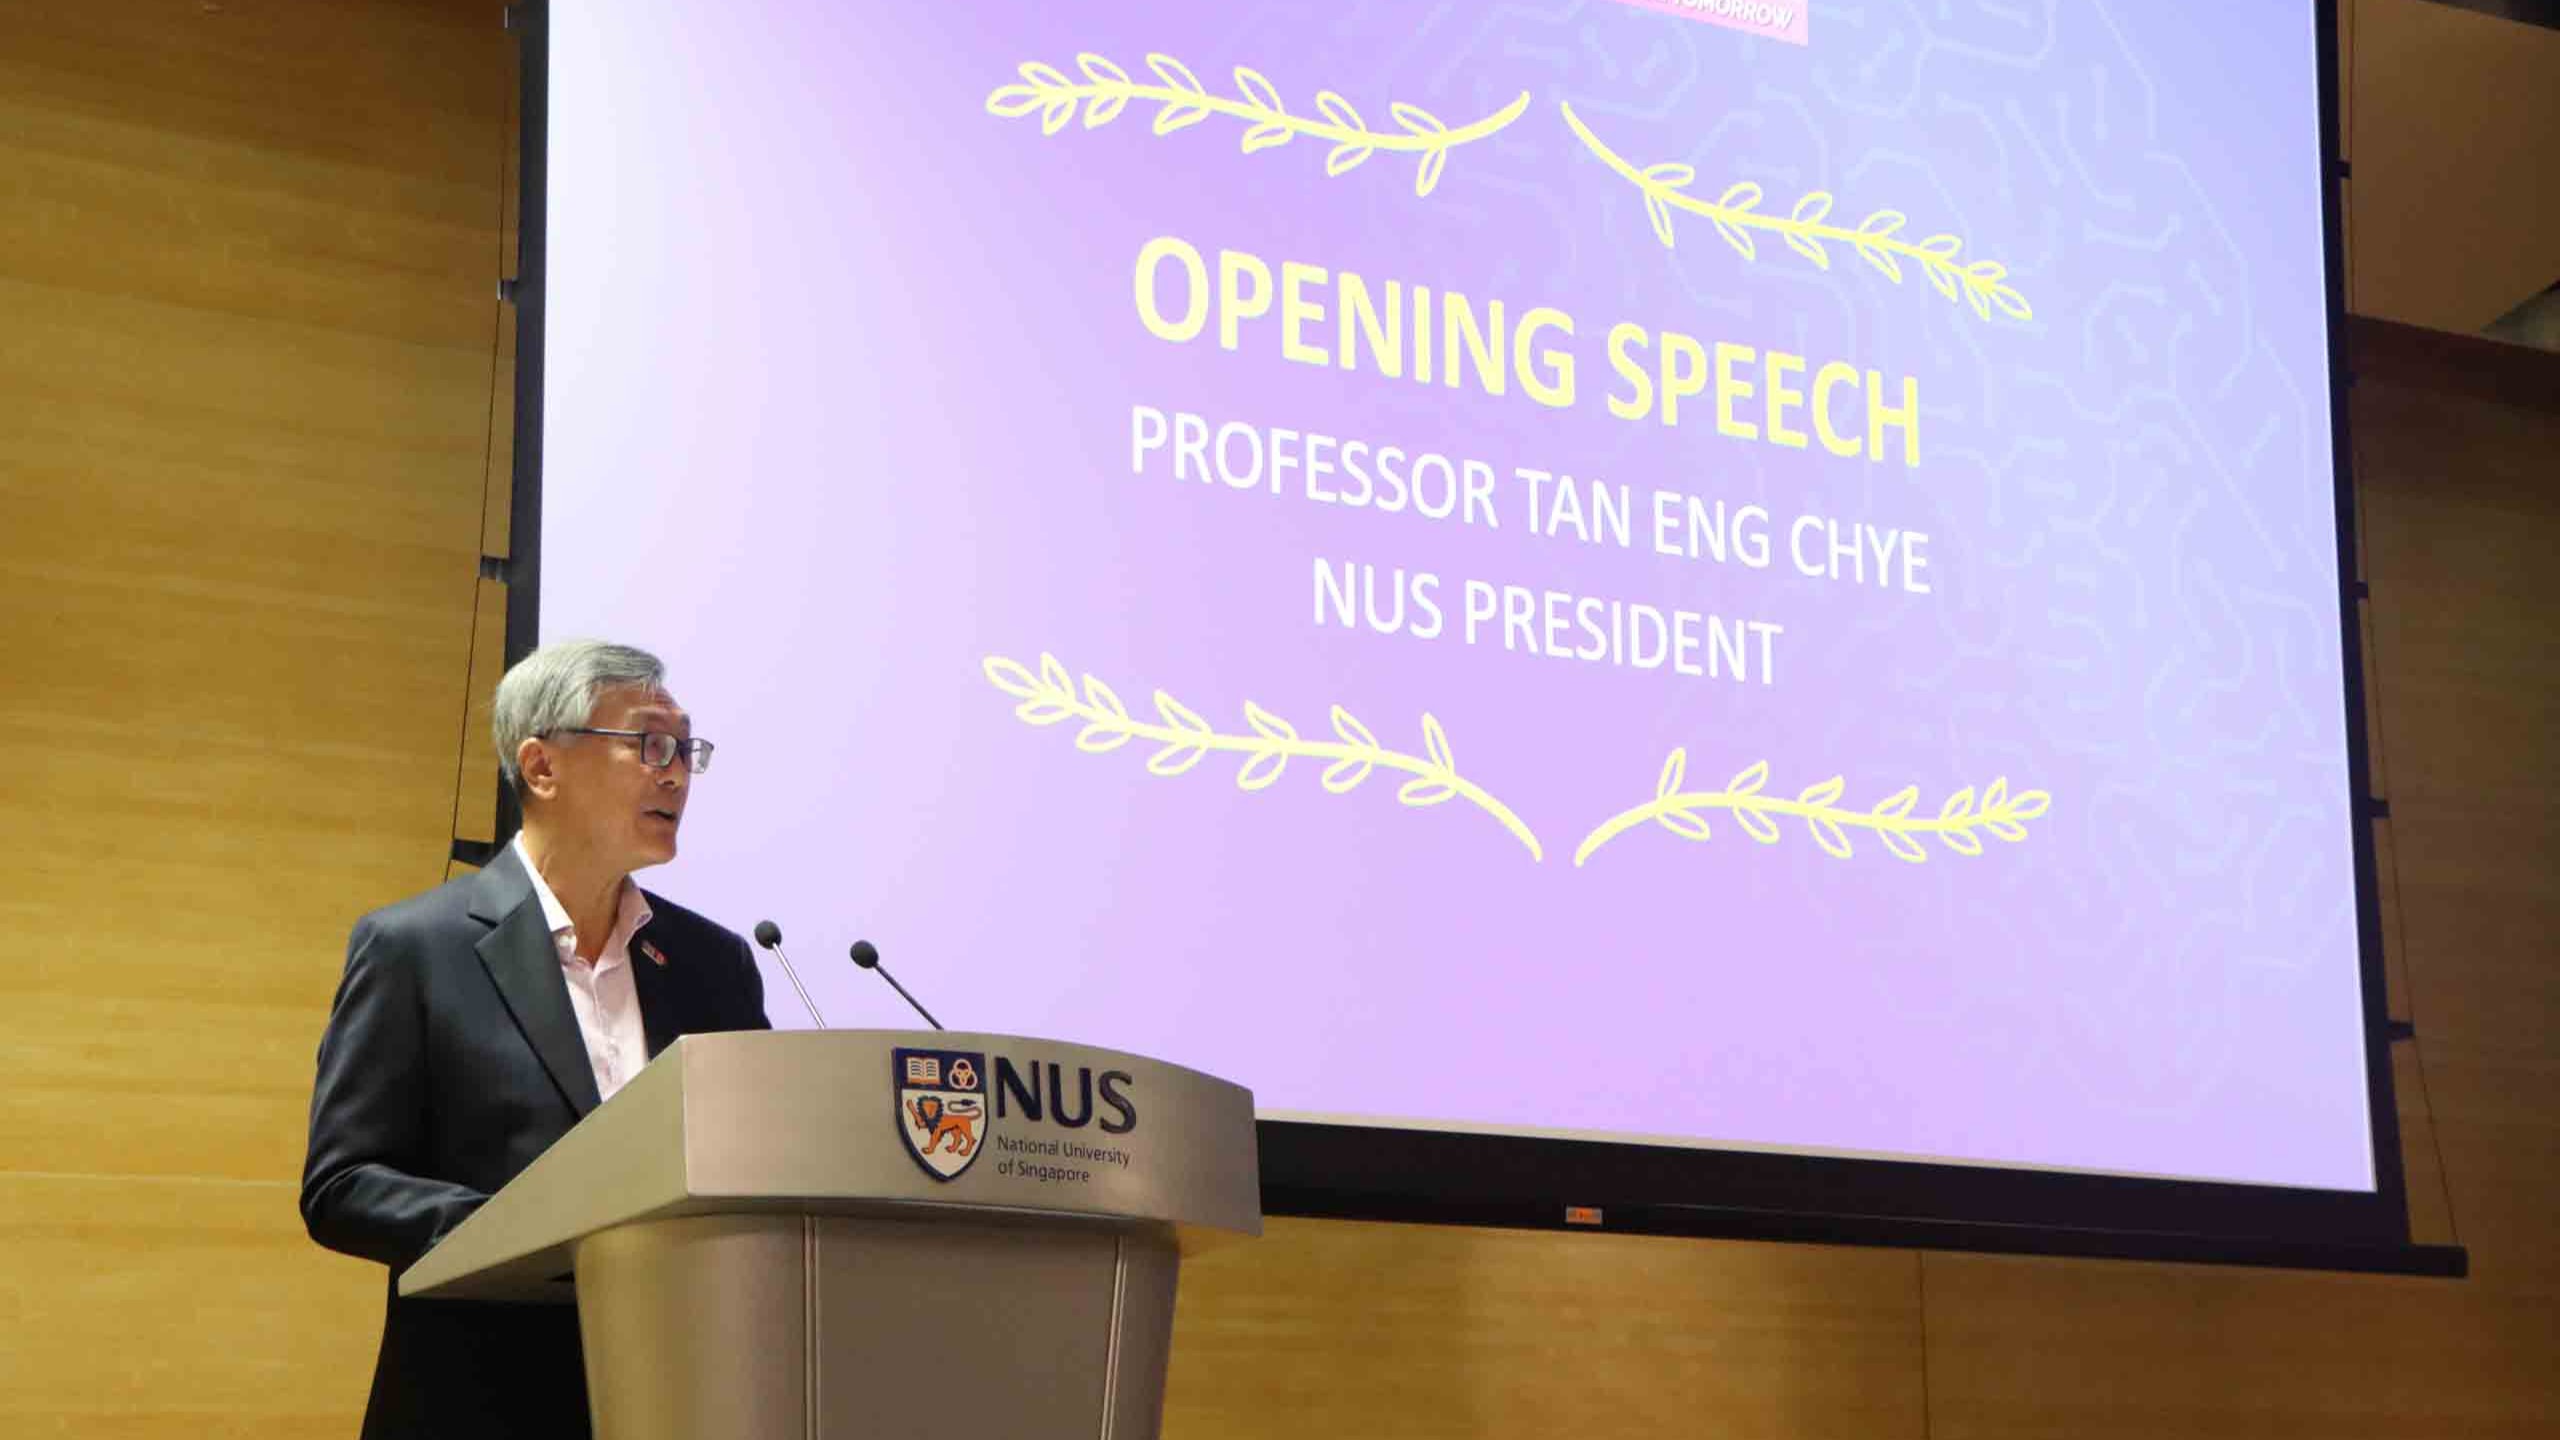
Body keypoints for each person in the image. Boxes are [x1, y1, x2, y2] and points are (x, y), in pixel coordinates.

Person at [301, 640, 770, 1438]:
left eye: (685, 749)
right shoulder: (417, 949)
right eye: (650, 743)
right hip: (479, 1402)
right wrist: (531, 1233)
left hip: (683, 1393)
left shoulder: (713, 963)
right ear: (542, 767)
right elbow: (342, 1185)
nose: (676, 774)